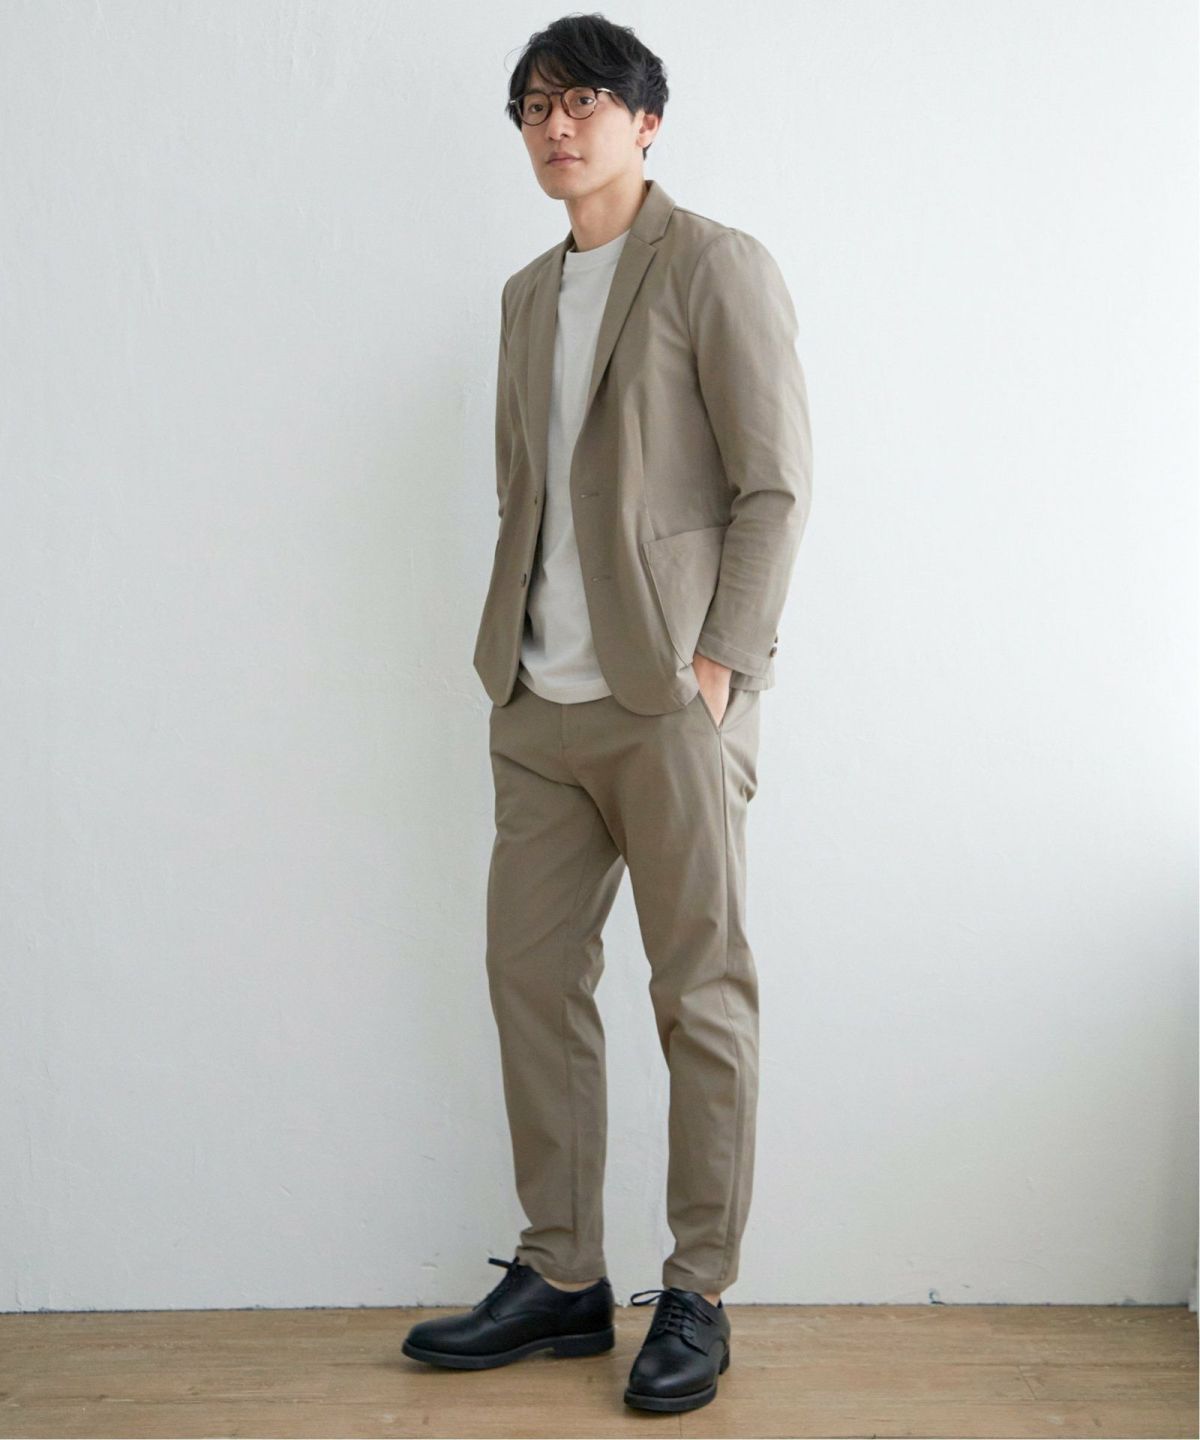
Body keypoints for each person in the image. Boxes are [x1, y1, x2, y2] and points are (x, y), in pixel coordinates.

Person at [402, 12, 812, 1415]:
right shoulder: (527, 295)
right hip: (537, 702)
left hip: (669, 704)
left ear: (646, 121)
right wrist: (513, 663)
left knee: (699, 994)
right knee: (531, 981)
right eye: (534, 106)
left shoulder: (713, 265)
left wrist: (720, 670)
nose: (556, 125)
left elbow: (774, 485)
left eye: (583, 100)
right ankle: (562, 1274)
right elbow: (524, 491)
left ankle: (698, 1291)